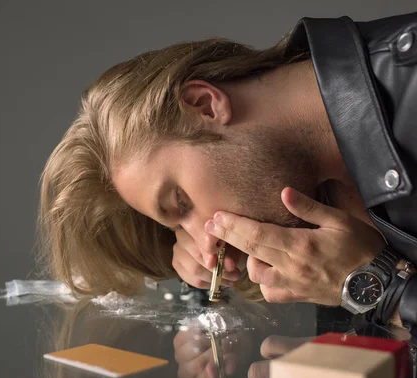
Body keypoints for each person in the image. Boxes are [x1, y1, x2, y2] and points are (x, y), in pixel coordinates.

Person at [38, 12, 417, 333]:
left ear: (205, 105)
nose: (206, 244)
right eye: (179, 229)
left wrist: (379, 287)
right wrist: (207, 289)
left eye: (180, 202)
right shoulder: (318, 186)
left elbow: (381, 287)